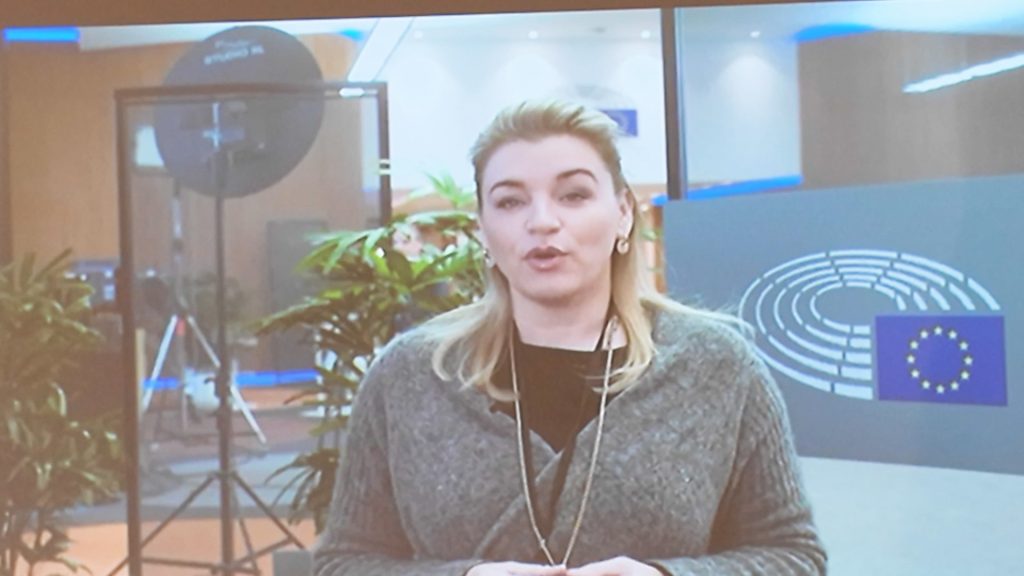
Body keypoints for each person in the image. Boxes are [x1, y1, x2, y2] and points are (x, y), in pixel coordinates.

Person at [314, 101, 827, 576]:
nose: (542, 222)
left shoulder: (716, 366)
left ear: (623, 213)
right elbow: (343, 563)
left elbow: (794, 557)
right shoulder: (411, 375)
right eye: (510, 201)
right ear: (483, 229)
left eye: (574, 195)